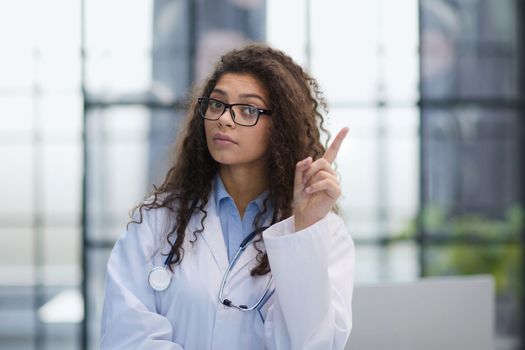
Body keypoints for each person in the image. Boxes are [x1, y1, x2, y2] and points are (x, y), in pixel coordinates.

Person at [101, 43, 355, 350]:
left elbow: (314, 344)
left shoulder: (325, 235)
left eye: (248, 109)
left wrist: (303, 231)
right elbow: (126, 337)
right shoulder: (156, 221)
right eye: (217, 104)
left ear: (280, 126)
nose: (224, 119)